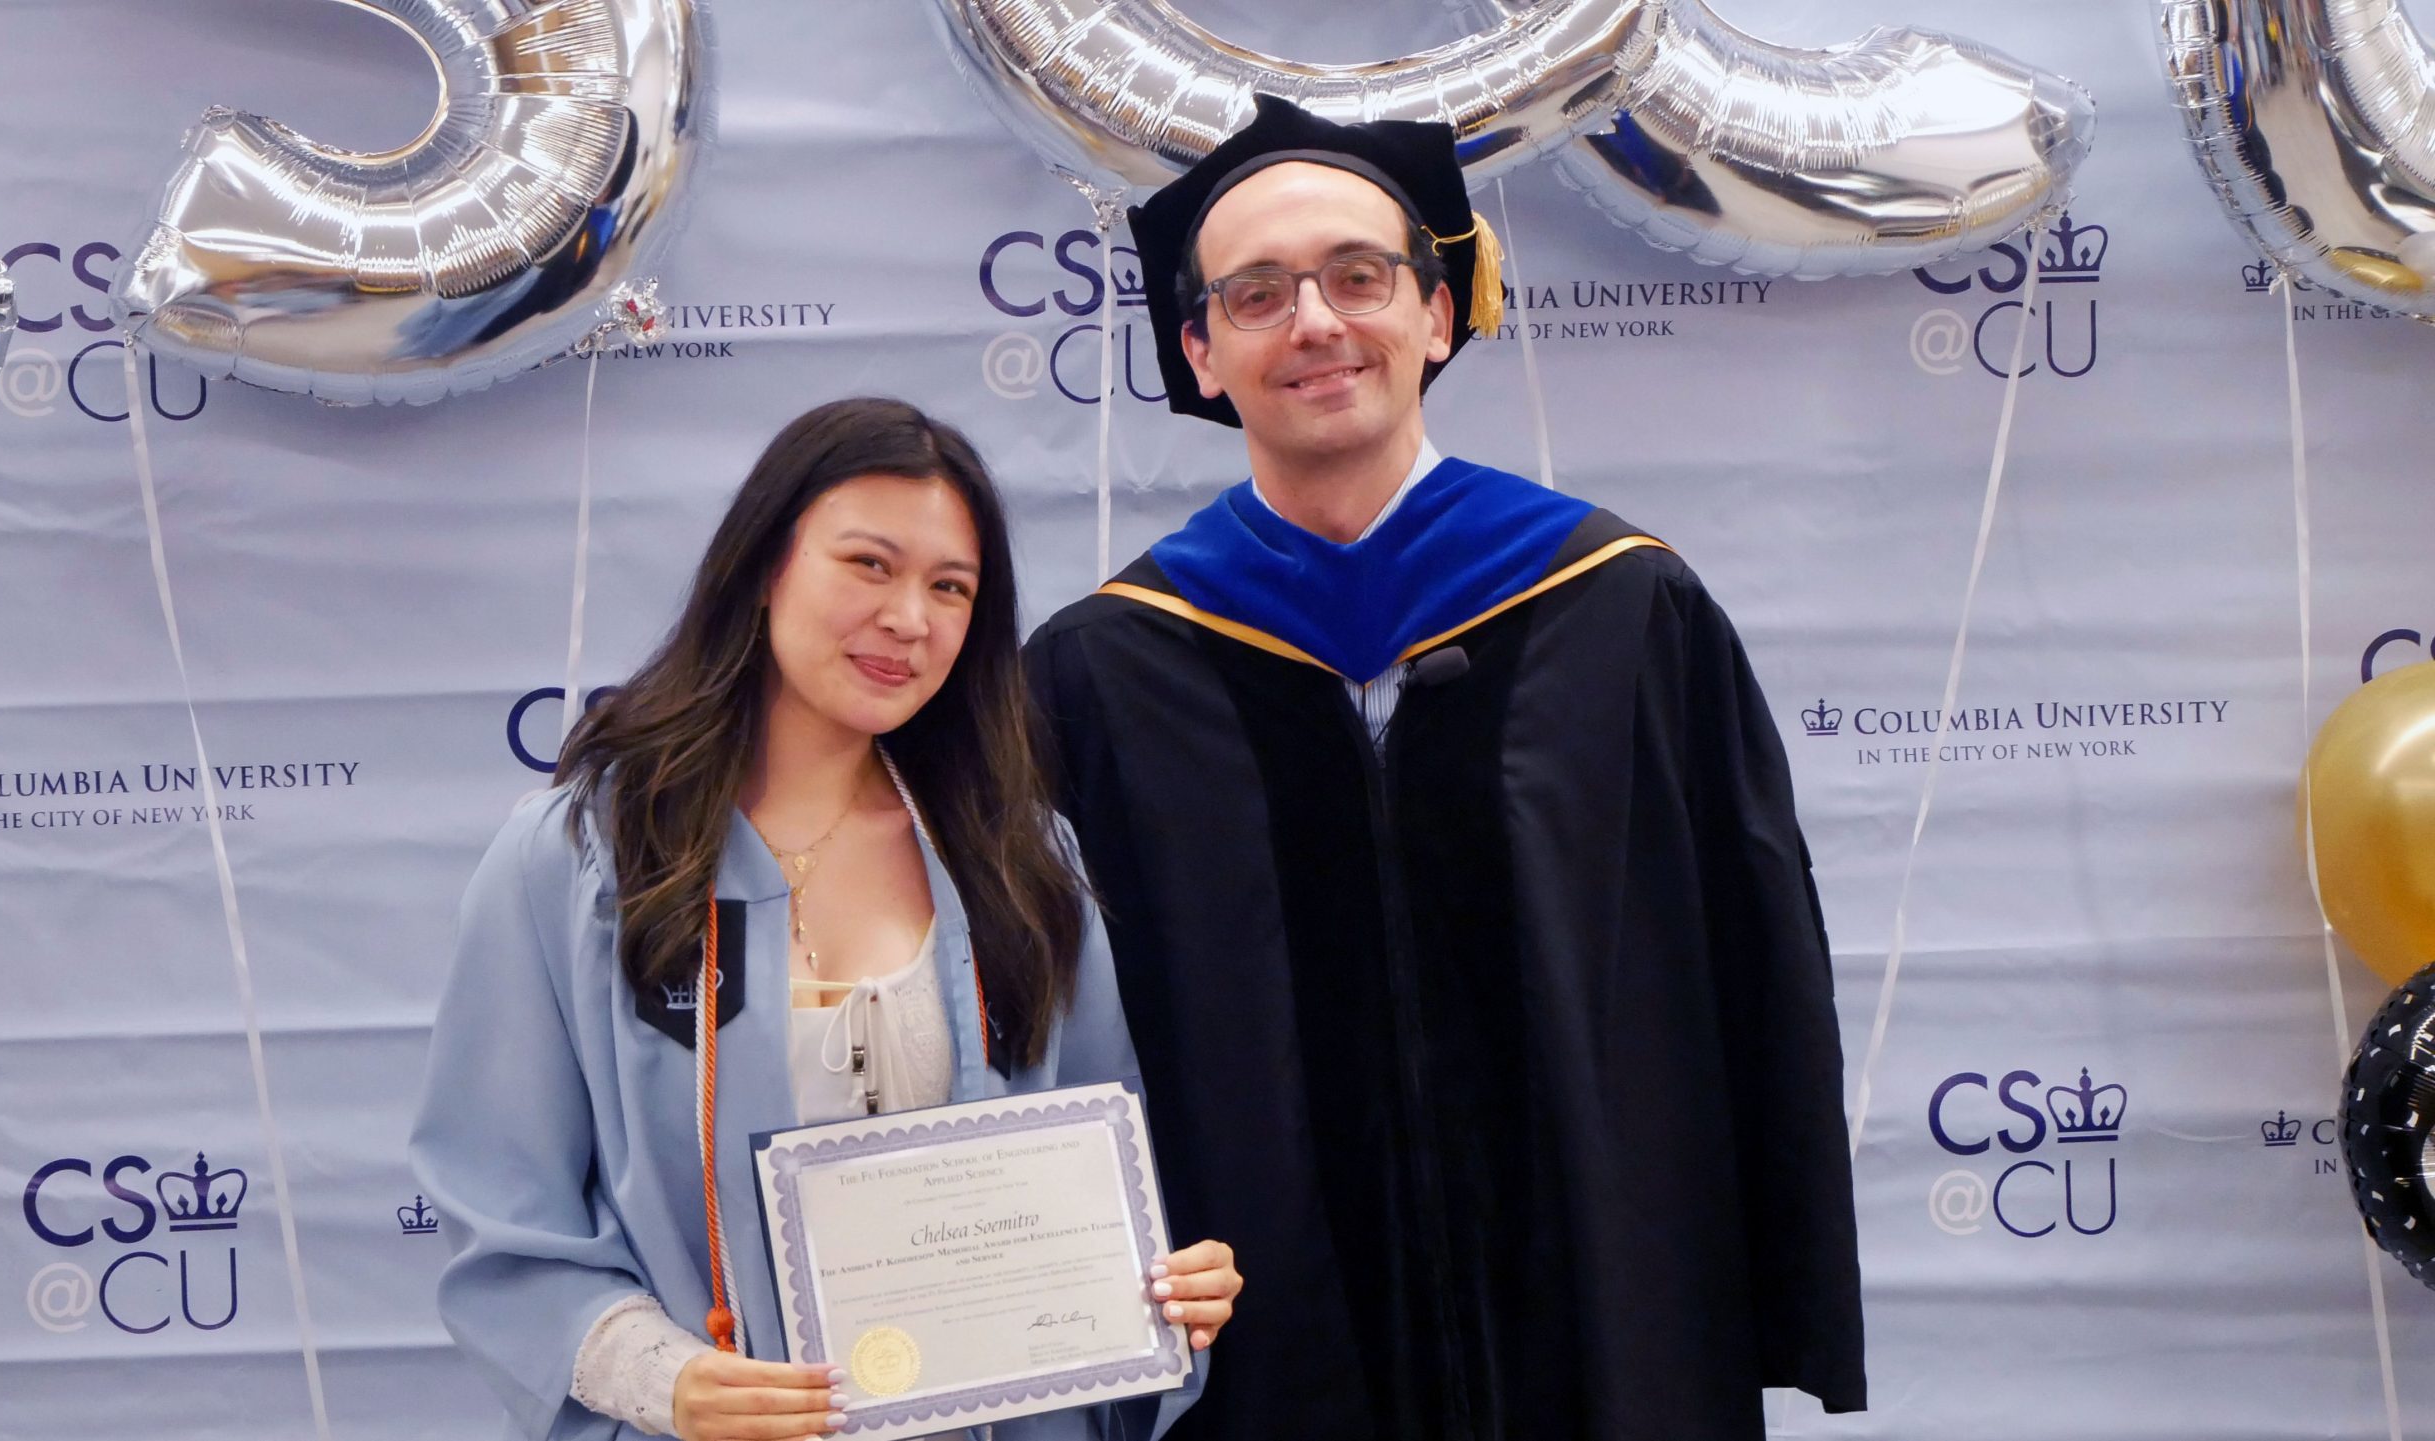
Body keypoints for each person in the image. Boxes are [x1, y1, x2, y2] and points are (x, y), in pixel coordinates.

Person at [1023, 97, 1864, 1441]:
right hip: (1262, 1358)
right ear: (1200, 352)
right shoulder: (1102, 675)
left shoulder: (1622, 611)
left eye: (1358, 276)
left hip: (1600, 1323)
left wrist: (1772, 1291)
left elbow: (1756, 960)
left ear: (1435, 311)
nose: (1314, 321)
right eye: (1256, 294)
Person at [413, 398, 1238, 1441]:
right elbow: (502, 1209)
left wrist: (1158, 1293)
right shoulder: (580, 860)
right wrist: (667, 1379)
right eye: (868, 565)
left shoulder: (1022, 863)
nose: (909, 619)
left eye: (951, 587)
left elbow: (1086, 1193)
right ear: (767, 566)